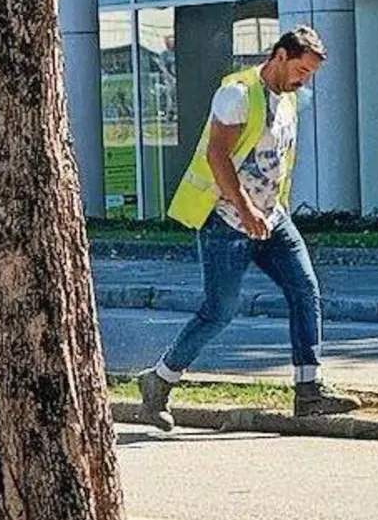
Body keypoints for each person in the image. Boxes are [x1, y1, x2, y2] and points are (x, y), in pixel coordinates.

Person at [138, 25, 360, 430]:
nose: (305, 81)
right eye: (302, 70)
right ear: (280, 56)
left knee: (305, 289)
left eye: (310, 74)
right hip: (227, 220)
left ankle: (309, 391)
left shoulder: (287, 99)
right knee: (219, 311)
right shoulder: (237, 95)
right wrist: (246, 209)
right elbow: (217, 156)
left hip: (272, 219)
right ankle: (159, 381)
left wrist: (271, 210)